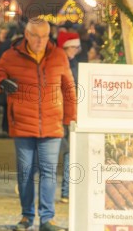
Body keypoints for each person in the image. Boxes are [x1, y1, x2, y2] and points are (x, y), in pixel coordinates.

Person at [0, 18, 77, 231]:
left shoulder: (58, 55)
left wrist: (71, 120)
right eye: (36, 35)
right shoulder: (10, 56)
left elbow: (69, 89)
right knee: (26, 173)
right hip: (23, 123)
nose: (40, 40)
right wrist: (0, 83)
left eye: (44, 36)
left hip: (52, 124)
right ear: (27, 35)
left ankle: (47, 219)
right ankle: (27, 217)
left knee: (49, 172)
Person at [57, 30, 80, 204]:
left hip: (69, 116)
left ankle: (67, 192)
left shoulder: (72, 64)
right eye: (73, 47)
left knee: (68, 153)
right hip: (58, 115)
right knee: (46, 153)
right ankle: (25, 182)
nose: (76, 50)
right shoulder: (59, 64)